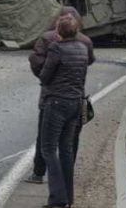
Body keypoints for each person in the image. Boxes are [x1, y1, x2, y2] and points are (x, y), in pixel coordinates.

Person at [26, 7, 95, 185]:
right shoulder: (85, 42)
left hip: (51, 96)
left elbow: (37, 63)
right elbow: (90, 61)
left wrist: (46, 80)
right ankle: (67, 175)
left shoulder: (46, 39)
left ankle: (38, 173)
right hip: (76, 95)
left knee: (45, 137)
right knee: (71, 139)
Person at [38, 15, 89, 208]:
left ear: (59, 31)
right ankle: (68, 196)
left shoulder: (56, 48)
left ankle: (57, 198)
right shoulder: (83, 49)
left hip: (57, 101)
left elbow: (45, 76)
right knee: (66, 149)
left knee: (48, 149)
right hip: (75, 101)